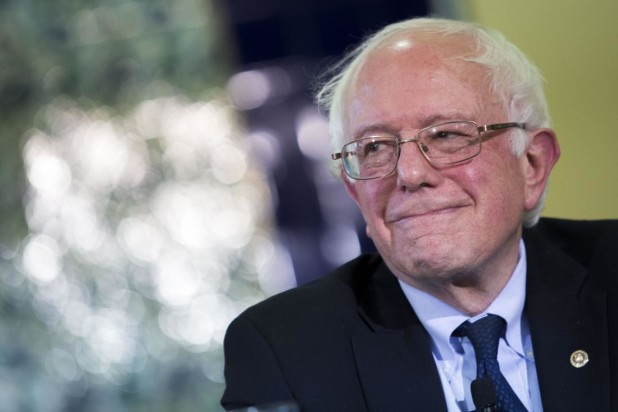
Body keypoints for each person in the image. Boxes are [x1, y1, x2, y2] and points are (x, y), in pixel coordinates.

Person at [220, 17, 618, 412]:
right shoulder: (286, 349)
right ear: (355, 192)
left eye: (446, 135)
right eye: (374, 147)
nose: (409, 174)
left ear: (532, 164)